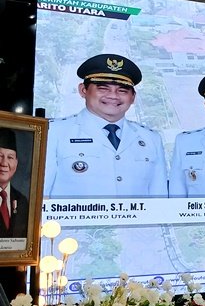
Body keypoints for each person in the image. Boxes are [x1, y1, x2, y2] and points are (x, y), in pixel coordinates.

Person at [43, 54, 168, 198]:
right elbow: (39, 195)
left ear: (133, 97)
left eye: (122, 91)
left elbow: (159, 199)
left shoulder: (151, 138)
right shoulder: (54, 132)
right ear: (83, 90)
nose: (113, 96)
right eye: (103, 88)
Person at [0, 128, 29, 238]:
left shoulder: (22, 201)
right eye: (0, 156)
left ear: (16, 163)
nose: (4, 163)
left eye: (10, 157)